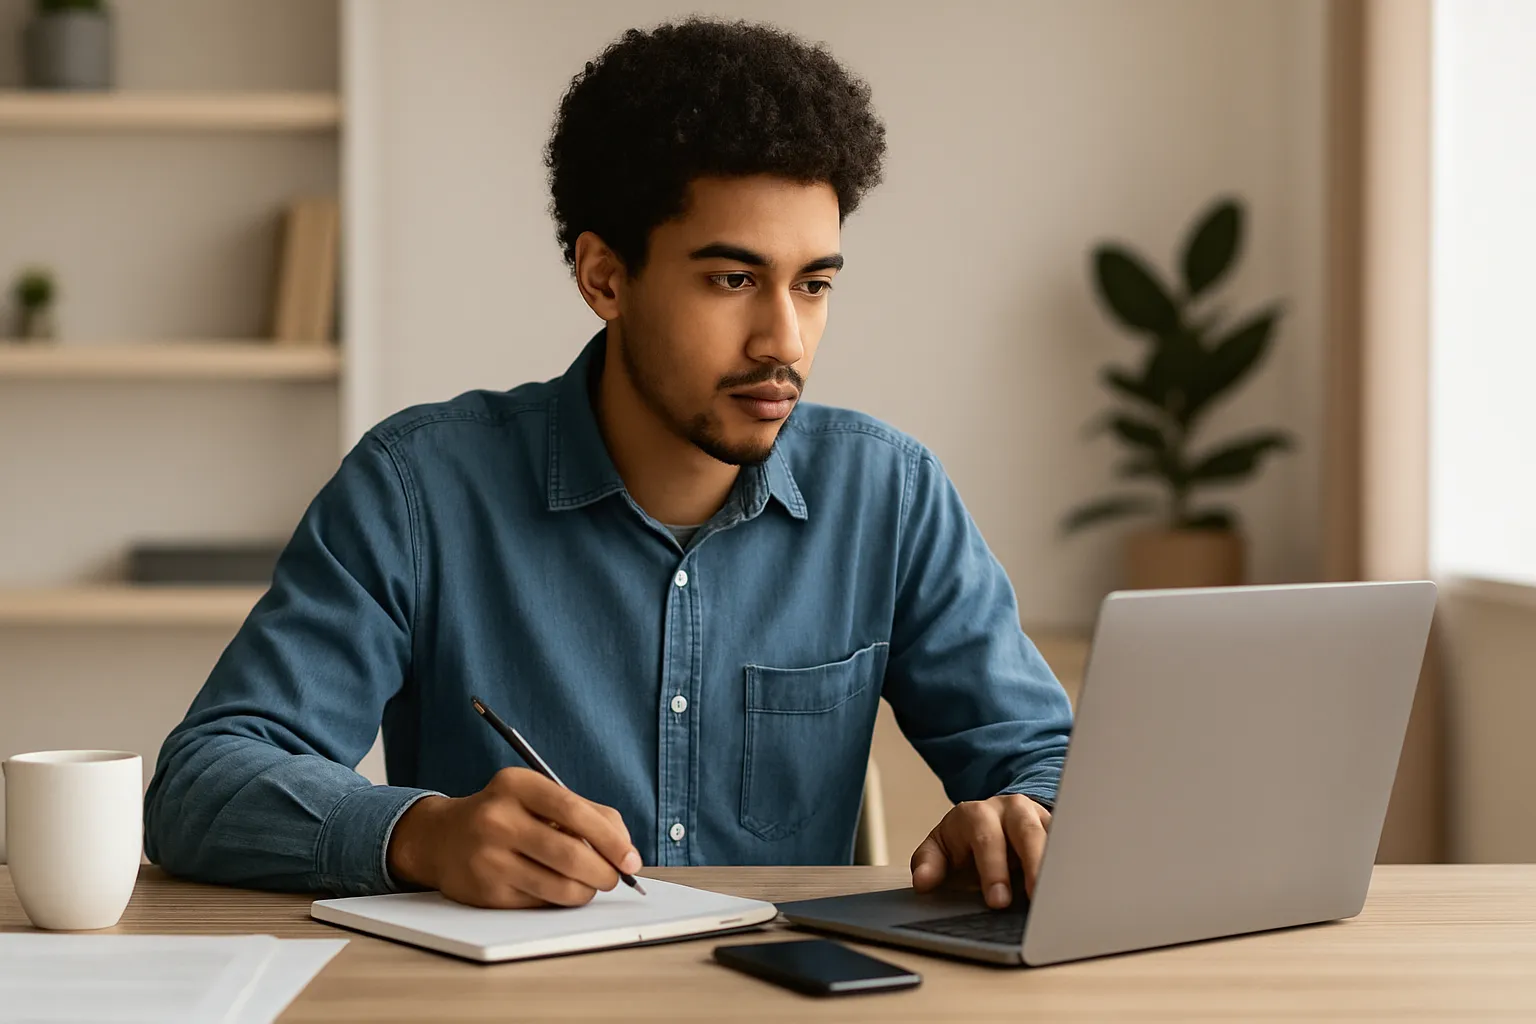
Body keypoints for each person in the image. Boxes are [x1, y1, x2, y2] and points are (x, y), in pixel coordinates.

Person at [143, 17, 1072, 915]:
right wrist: (420, 835)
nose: (784, 339)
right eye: (733, 280)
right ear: (604, 278)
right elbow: (204, 781)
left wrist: (1020, 819)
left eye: (813, 284)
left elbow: (1056, 764)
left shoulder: (891, 498)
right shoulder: (416, 490)